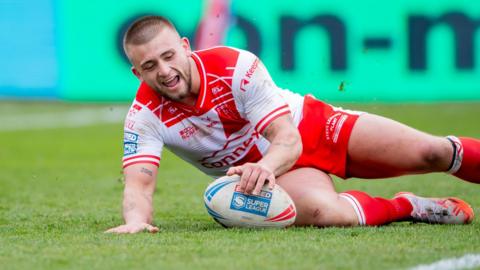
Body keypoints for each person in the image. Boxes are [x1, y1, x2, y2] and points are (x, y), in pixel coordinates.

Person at [106, 15, 479, 234]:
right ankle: (409, 206)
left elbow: (286, 138)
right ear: (137, 71)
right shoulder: (144, 117)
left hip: (310, 127)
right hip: (275, 177)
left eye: (169, 56)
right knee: (328, 215)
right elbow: (139, 184)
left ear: (186, 47)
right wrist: (136, 221)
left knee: (433, 151)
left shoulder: (235, 65)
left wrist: (263, 166)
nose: (165, 71)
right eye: (150, 66)